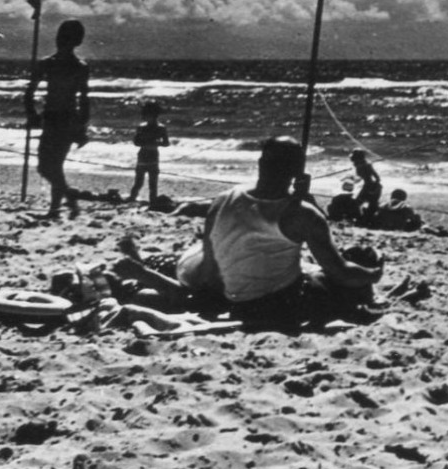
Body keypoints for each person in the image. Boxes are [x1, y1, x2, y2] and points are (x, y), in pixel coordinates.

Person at [116, 136, 385, 331]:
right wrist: (374, 274)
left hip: (227, 293)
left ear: (259, 163)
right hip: (278, 302)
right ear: (297, 171)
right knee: (340, 286)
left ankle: (142, 276)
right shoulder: (303, 214)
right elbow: (339, 270)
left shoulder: (222, 199)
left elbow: (211, 266)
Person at [23, 19, 91, 220]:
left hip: (67, 120)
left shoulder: (80, 66)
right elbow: (29, 92)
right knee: (47, 166)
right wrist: (32, 114)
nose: (62, 40)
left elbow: (84, 99)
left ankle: (57, 207)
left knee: (52, 166)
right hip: (52, 118)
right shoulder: (47, 63)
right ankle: (66, 199)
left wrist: (82, 127)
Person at [127, 101, 171, 204]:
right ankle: (132, 198)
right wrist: (147, 143)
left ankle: (153, 200)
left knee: (153, 182)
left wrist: (156, 143)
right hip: (143, 156)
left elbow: (166, 143)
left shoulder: (161, 128)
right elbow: (136, 142)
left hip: (153, 156)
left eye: (150, 115)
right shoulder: (141, 127)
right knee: (139, 181)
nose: (148, 117)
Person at [350, 149, 383, 220]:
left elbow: (377, 178)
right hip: (368, 185)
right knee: (358, 203)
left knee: (360, 203)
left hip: (371, 186)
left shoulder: (366, 166)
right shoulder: (361, 165)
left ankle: (366, 219)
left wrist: (373, 188)